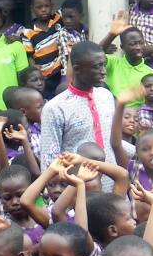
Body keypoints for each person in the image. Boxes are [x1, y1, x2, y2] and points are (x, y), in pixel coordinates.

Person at [38, 40, 117, 168]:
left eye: (104, 65)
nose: (103, 71)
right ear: (77, 69)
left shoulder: (106, 96)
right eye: (97, 66)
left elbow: (112, 141)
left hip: (111, 182)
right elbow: (49, 160)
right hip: (76, 184)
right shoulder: (55, 108)